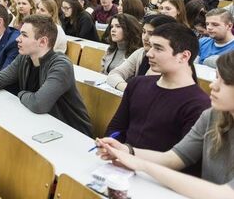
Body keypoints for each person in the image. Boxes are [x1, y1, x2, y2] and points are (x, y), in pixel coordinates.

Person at [96, 51, 234, 199]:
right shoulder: (213, 115)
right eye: (216, 77)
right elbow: (174, 158)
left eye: (224, 81)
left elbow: (226, 194)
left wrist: (142, 165)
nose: (213, 85)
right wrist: (126, 150)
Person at [0, 15, 93, 136]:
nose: (18, 39)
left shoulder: (61, 65)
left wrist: (21, 93)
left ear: (43, 42)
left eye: (24, 35)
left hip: (72, 133)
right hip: (42, 124)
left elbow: (38, 104)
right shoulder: (25, 58)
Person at [104, 23, 211, 174]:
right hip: (121, 166)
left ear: (184, 56)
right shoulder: (137, 84)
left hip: (158, 177)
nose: (149, 53)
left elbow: (185, 163)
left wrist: (128, 155)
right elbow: (116, 128)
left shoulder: (198, 104)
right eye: (151, 46)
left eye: (158, 48)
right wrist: (113, 150)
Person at [107, 15, 177, 91]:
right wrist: (129, 89)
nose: (145, 37)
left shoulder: (169, 61)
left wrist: (133, 91)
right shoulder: (141, 52)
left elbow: (147, 88)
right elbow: (114, 74)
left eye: (151, 33)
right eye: (143, 32)